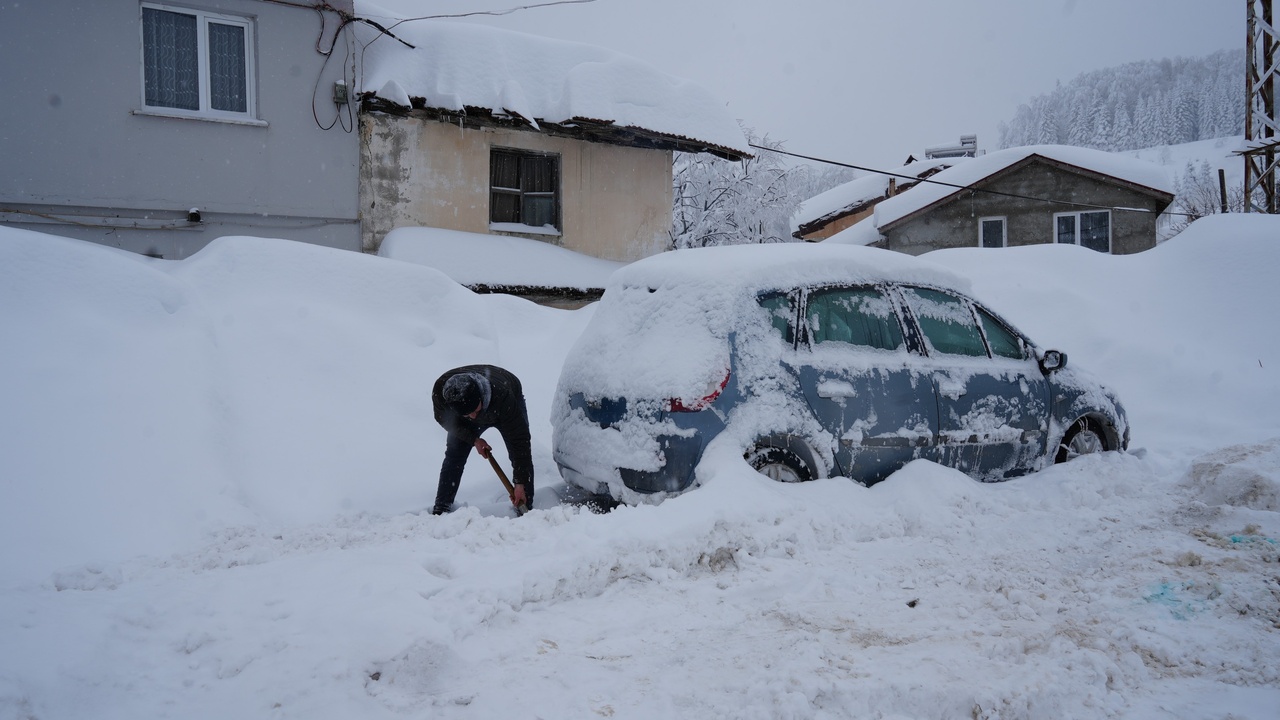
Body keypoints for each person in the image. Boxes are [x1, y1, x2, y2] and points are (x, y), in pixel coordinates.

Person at [431, 364, 534, 515]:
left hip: (503, 400)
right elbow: (445, 420)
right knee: (455, 454)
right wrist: (473, 439)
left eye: (475, 411)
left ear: (480, 397)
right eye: (467, 415)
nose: (473, 417)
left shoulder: (503, 397)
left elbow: (520, 442)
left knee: (518, 449)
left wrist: (520, 483)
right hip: (468, 410)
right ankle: (441, 507)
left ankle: (526, 506)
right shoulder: (443, 393)